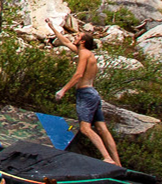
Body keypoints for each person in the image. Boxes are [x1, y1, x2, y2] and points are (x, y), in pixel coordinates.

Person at [48, 19, 122, 166]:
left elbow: (78, 75)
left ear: (82, 41)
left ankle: (107, 158)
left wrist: (63, 90)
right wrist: (52, 28)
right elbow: (66, 42)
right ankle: (118, 163)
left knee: (85, 128)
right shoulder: (88, 54)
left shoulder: (84, 54)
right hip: (94, 94)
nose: (74, 38)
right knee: (102, 129)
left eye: (77, 37)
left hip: (85, 95)